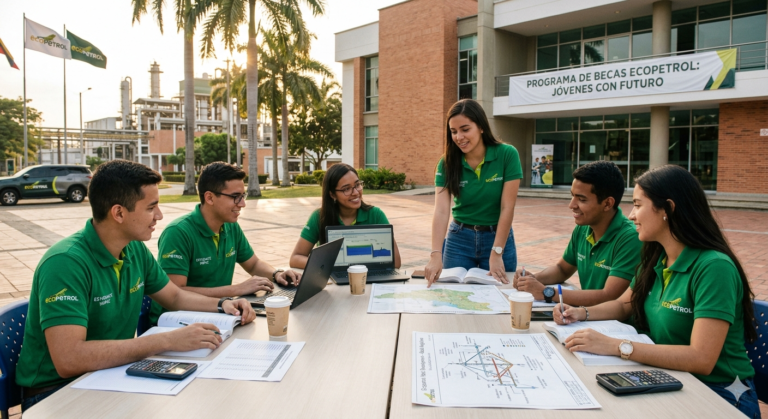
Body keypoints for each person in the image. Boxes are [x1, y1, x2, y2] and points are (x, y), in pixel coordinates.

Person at [16, 160, 256, 412]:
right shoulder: (65, 263)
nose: (159, 216)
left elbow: (174, 296)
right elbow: (69, 358)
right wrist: (167, 340)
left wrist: (223, 305)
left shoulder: (133, 249)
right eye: (151, 207)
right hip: (56, 393)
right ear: (118, 213)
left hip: (109, 374)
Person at [554, 165, 760, 418]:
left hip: (719, 393)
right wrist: (581, 313)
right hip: (670, 378)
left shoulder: (714, 268)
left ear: (668, 209)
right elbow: (624, 305)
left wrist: (616, 346)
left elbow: (701, 358)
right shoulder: (658, 256)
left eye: (638, 205)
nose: (631, 215)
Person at [150, 162, 302, 325]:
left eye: (243, 196)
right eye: (235, 197)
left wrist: (276, 274)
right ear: (209, 197)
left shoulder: (230, 226)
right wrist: (236, 290)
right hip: (176, 321)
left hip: (218, 312)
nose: (242, 204)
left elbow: (253, 264)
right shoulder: (178, 232)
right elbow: (175, 292)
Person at [514, 161, 641, 307]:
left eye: (581, 199)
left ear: (607, 204)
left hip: (614, 325)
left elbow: (609, 296)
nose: (572, 205)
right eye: (572, 196)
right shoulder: (583, 228)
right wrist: (531, 280)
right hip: (586, 317)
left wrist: (546, 292)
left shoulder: (631, 238)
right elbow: (562, 269)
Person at [425, 99, 522, 286]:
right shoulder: (446, 163)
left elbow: (507, 208)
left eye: (465, 129)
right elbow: (441, 211)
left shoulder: (507, 154)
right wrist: (435, 254)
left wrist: (497, 251)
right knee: (453, 299)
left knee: (501, 296)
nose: (459, 137)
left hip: (498, 238)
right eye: (453, 132)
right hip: (459, 240)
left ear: (481, 127)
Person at [290, 163, 401, 268]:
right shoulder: (319, 217)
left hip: (368, 278)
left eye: (357, 185)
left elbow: (396, 262)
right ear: (332, 194)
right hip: (331, 282)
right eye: (346, 189)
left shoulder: (376, 215)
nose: (356, 192)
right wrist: (325, 266)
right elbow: (295, 258)